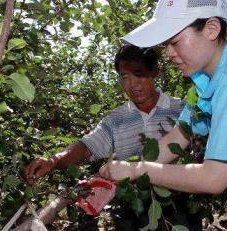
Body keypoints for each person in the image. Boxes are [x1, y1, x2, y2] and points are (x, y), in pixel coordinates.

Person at [99, 0, 227, 230]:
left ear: (211, 29)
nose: (168, 52)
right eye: (166, 44)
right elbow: (176, 138)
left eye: (175, 41)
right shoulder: (207, 84)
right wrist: (116, 179)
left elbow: (213, 178)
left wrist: (134, 170)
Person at [25, 45, 186, 229]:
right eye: (125, 77)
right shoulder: (116, 119)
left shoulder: (181, 111)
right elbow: (87, 146)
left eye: (139, 74)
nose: (133, 84)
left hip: (180, 210)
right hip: (132, 212)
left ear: (155, 71)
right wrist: (52, 161)